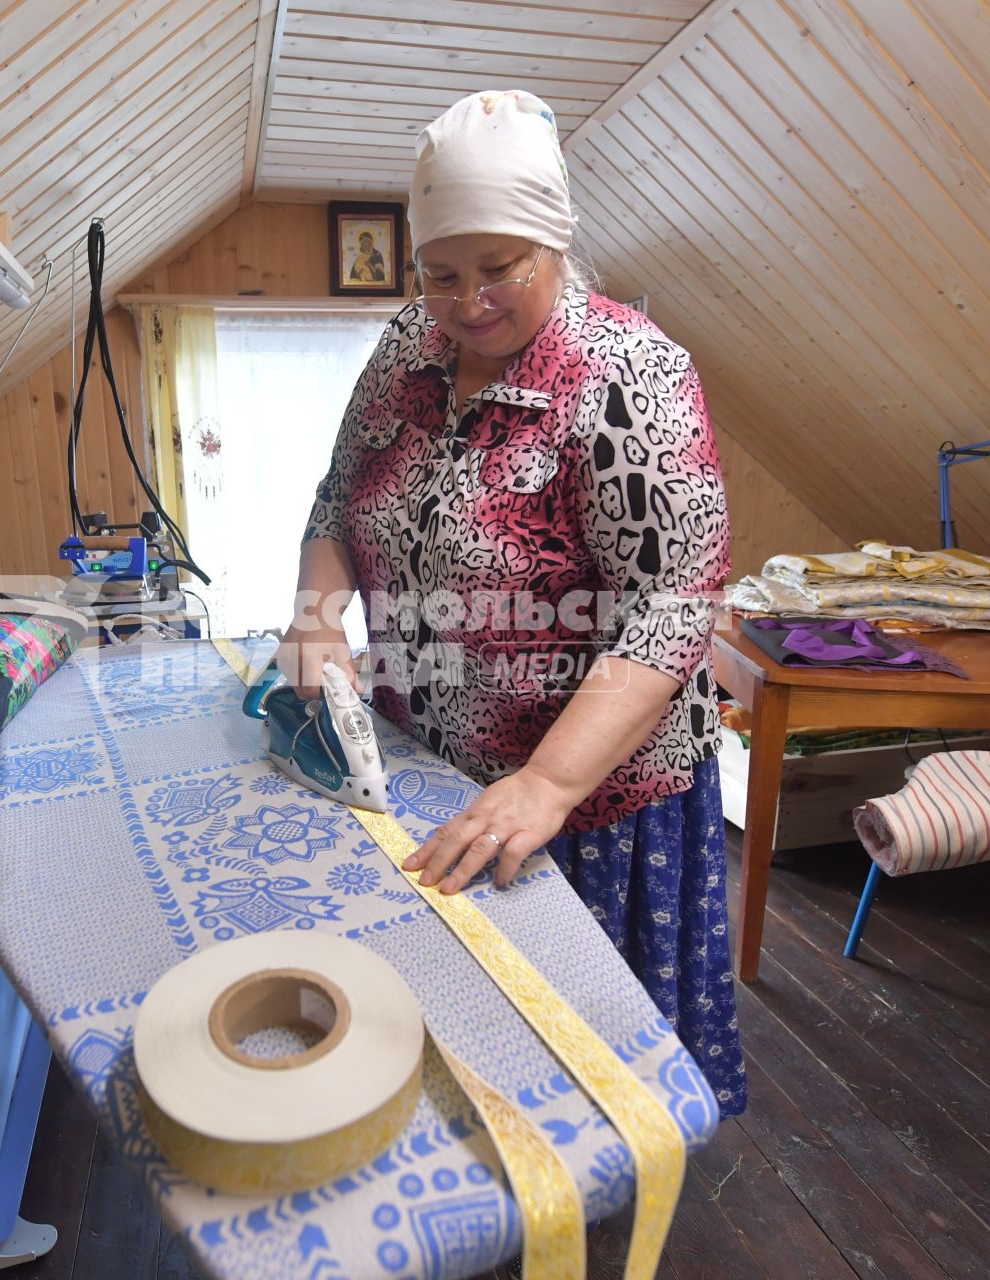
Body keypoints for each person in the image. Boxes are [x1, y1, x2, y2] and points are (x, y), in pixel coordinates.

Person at [275, 89, 744, 1114]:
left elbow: (671, 605)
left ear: (555, 244)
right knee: (458, 1046)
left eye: (499, 271)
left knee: (583, 1074)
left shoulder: (630, 376)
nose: (467, 301)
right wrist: (317, 615)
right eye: (440, 274)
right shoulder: (408, 349)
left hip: (590, 796)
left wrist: (550, 783)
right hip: (425, 757)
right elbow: (337, 499)